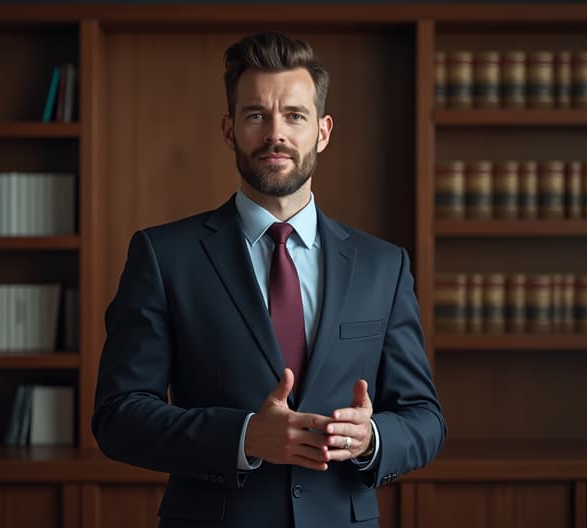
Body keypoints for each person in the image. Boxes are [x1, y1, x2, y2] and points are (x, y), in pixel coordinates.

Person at [92, 31, 446, 528]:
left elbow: (425, 418)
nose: (275, 133)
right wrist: (243, 437)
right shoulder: (163, 255)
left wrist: (372, 440)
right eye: (256, 114)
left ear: (322, 131)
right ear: (229, 129)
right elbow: (118, 417)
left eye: (294, 116)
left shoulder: (383, 266)